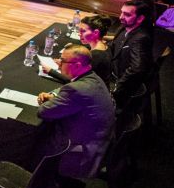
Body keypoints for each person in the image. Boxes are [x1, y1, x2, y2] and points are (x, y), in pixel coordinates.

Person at [36, 45, 115, 178]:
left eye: (62, 60)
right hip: (101, 143)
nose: (59, 64)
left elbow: (43, 112)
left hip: (83, 154)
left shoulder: (77, 89)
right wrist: (56, 98)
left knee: (36, 137)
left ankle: (39, 180)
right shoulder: (93, 77)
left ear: (77, 65)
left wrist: (51, 101)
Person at [108, 1, 154, 108]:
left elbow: (137, 69)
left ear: (140, 18)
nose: (120, 17)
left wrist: (117, 86)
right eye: (122, 13)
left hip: (121, 84)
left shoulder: (141, 38)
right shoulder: (124, 27)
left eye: (127, 14)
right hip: (113, 73)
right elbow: (113, 46)